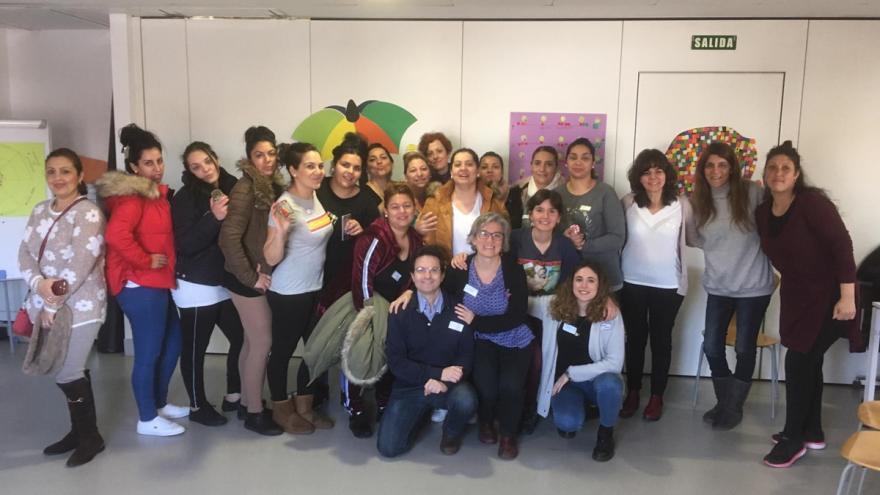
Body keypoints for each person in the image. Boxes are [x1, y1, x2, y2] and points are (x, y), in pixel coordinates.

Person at [755, 141, 858, 468]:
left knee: (798, 363)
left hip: (829, 296)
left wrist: (847, 296)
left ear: (797, 174)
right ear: (765, 174)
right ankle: (812, 430)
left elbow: (842, 246)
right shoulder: (763, 212)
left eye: (785, 168)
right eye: (772, 167)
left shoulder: (812, 204)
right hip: (797, 295)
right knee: (809, 362)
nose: (778, 173)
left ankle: (792, 437)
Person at [19, 148, 107, 467]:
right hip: (47, 301)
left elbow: (81, 264)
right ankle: (80, 432)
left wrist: (52, 301)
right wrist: (39, 285)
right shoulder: (40, 210)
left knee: (68, 371)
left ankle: (90, 438)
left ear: (80, 176)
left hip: (82, 305)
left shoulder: (89, 214)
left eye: (66, 171)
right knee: (69, 369)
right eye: (52, 171)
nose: (58, 178)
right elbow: (25, 254)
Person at [98, 124, 187, 436]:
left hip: (157, 282)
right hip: (138, 284)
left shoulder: (156, 196)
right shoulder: (132, 198)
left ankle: (159, 404)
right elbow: (116, 235)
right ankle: (147, 418)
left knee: (173, 343)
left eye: (159, 161)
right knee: (149, 352)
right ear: (134, 167)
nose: (157, 168)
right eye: (149, 163)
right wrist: (145, 260)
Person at [689, 142, 776, 430]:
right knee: (713, 346)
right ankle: (727, 403)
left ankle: (731, 407)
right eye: (710, 165)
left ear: (732, 167)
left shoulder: (752, 192)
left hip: (753, 286)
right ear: (703, 169)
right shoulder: (697, 200)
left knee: (743, 348)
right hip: (718, 285)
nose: (716, 171)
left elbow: (775, 222)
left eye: (722, 165)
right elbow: (695, 239)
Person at [444, 213, 532, 459]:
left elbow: (517, 315)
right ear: (473, 238)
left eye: (496, 235)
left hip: (514, 338)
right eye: (483, 233)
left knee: (511, 387)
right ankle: (485, 423)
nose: (489, 240)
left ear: (503, 240)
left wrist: (477, 321)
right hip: (478, 340)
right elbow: (447, 302)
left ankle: (508, 435)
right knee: (487, 386)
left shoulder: (513, 270)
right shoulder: (460, 268)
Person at [376, 245, 476, 458]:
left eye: (433, 270)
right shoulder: (399, 312)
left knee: (466, 399)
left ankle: (450, 433)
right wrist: (436, 374)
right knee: (389, 448)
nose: (427, 276)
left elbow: (466, 355)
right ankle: (420, 413)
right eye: (420, 270)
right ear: (412, 276)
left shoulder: (459, 310)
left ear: (442, 275)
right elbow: (396, 362)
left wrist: (444, 382)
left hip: (447, 385)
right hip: (410, 387)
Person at [170, 141, 245, 426]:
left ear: (215, 157)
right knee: (195, 349)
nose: (204, 170)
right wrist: (213, 218)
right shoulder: (186, 198)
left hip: (224, 281)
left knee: (242, 337)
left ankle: (234, 394)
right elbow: (185, 245)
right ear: (189, 171)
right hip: (196, 285)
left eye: (207, 162)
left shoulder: (234, 186)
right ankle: (197, 407)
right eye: (195, 167)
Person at [618, 149, 696, 421]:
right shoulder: (628, 202)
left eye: (658, 170)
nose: (653, 177)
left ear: (667, 174)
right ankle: (634, 391)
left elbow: (695, 237)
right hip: (631, 282)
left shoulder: (682, 204)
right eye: (646, 171)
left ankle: (657, 396)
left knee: (661, 341)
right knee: (635, 340)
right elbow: (617, 238)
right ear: (638, 177)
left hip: (669, 285)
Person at [263, 142, 335, 434]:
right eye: (310, 166)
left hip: (314, 287)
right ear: (293, 170)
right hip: (289, 292)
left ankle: (305, 406)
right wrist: (279, 233)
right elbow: (270, 257)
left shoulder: (315, 197)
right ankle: (281, 407)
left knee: (314, 351)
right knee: (282, 351)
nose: (318, 171)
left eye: (319, 165)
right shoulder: (284, 205)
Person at [218, 125, 285, 436]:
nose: (267, 160)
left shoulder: (266, 186)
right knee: (262, 342)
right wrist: (251, 277)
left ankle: (247, 402)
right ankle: (256, 413)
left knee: (249, 341)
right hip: (244, 278)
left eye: (271, 154)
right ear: (249, 158)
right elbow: (228, 238)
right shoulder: (246, 189)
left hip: (250, 275)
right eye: (260, 155)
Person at [346, 184, 424, 438]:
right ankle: (355, 409)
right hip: (367, 306)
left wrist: (410, 292)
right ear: (386, 211)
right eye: (395, 206)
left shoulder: (415, 239)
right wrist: (371, 318)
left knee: (393, 354)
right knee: (361, 353)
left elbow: (416, 275)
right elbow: (362, 282)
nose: (402, 211)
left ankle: (383, 401)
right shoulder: (374, 238)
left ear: (415, 209)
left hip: (396, 306)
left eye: (407, 206)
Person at [529, 261, 625, 462]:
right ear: (570, 283)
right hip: (565, 385)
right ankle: (587, 408)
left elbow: (615, 363)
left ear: (600, 286)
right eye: (579, 279)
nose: (584, 286)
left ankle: (605, 433)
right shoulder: (553, 305)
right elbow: (521, 301)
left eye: (591, 281)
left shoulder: (610, 313)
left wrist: (571, 373)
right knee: (567, 424)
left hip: (594, 381)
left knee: (611, 384)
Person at [509, 189, 581, 433]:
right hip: (519, 310)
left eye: (552, 211)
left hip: (552, 312)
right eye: (539, 209)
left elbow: (575, 282)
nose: (545, 216)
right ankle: (522, 406)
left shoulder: (565, 246)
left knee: (545, 359)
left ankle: (538, 406)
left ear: (559, 217)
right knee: (527, 359)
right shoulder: (516, 239)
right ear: (530, 213)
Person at [316, 134, 380, 315]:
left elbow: (377, 244)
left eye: (357, 168)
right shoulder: (317, 191)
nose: (350, 172)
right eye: (345, 165)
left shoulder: (367, 201)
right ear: (334, 165)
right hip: (311, 276)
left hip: (345, 284)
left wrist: (363, 233)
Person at [557, 137, 626, 293]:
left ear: (593, 163)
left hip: (604, 278)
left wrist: (583, 245)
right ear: (566, 162)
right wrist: (564, 238)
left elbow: (617, 237)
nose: (578, 162)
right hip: (569, 278)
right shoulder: (557, 194)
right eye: (573, 157)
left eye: (585, 158)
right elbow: (550, 234)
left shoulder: (606, 193)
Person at [420, 148, 507, 257]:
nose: (463, 168)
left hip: (484, 270)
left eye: (469, 164)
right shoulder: (434, 203)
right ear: (451, 171)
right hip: (447, 270)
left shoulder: (494, 203)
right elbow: (428, 243)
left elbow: (503, 241)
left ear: (477, 171)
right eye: (457, 165)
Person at [506, 145, 563, 230]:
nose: (542, 169)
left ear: (556, 167)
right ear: (531, 165)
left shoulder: (564, 195)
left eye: (549, 164)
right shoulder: (515, 193)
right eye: (537, 163)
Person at [366, 143, 394, 208]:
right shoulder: (363, 194)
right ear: (366, 168)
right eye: (372, 159)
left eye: (383, 157)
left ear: (392, 163)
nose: (379, 161)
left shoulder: (400, 188)